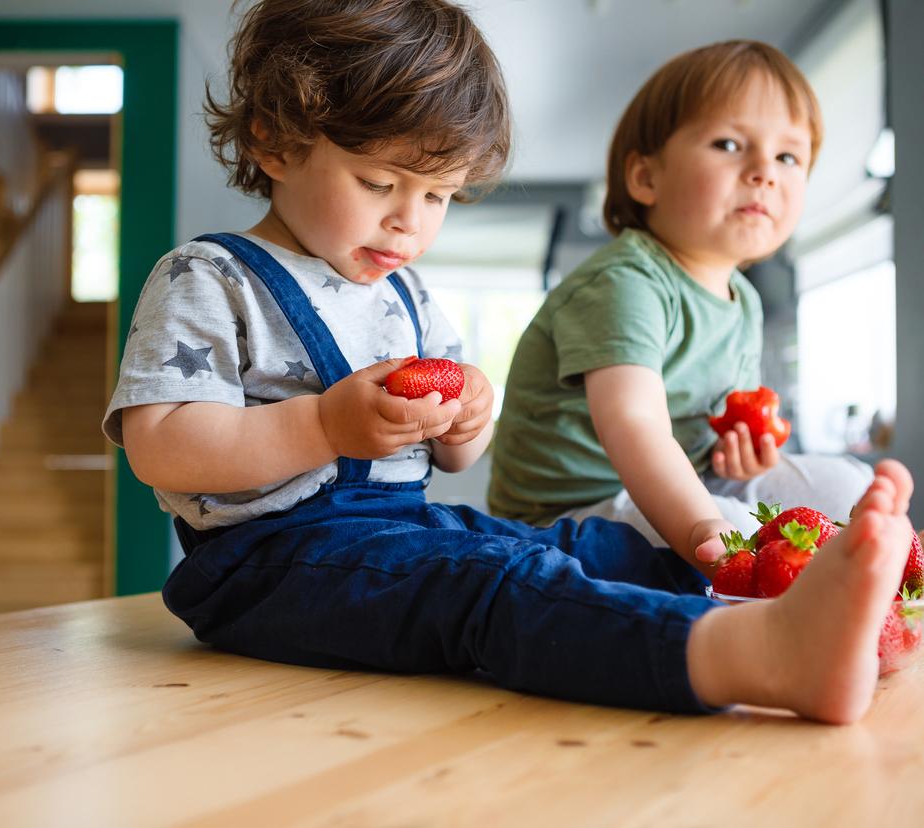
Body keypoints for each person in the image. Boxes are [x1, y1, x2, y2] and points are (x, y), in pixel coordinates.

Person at [103, 1, 916, 724]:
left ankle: (802, 600)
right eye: (380, 181)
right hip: (265, 567)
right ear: (274, 142)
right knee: (488, 590)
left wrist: (464, 417)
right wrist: (323, 422)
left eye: (438, 196)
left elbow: (452, 454)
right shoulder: (210, 278)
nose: (407, 224)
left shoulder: (407, 294)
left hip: (400, 529)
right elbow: (162, 445)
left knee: (577, 552)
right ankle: (755, 656)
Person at [487, 41, 874, 568]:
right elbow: (633, 421)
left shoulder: (746, 305)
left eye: (788, 156)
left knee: (849, 484)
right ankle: (793, 597)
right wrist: (704, 526)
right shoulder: (626, 281)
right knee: (737, 531)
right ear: (646, 177)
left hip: (681, 484)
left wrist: (741, 456)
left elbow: (708, 432)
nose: (765, 171)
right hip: (564, 515)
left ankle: (839, 579)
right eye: (730, 144)